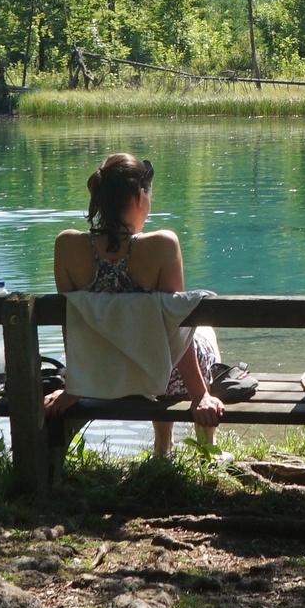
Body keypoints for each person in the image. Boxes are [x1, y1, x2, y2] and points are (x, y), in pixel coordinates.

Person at [48, 152, 223, 456]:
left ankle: (162, 445)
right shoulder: (162, 245)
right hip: (161, 381)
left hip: (99, 378)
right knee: (202, 328)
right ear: (140, 197)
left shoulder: (66, 246)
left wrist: (74, 384)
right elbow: (176, 328)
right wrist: (199, 395)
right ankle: (207, 449)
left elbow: (71, 324)